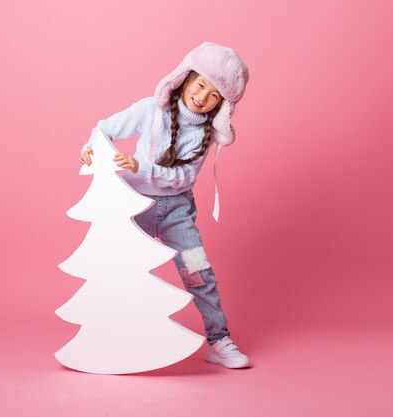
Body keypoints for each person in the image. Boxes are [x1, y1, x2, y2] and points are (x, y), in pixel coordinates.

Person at [79, 42, 250, 369]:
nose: (202, 97)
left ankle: (218, 340)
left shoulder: (206, 135)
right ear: (185, 79)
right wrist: (92, 148)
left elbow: (183, 177)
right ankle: (112, 337)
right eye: (200, 85)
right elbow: (105, 129)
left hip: (177, 214)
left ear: (222, 105)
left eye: (214, 95)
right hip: (133, 208)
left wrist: (139, 167)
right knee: (118, 269)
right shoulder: (149, 110)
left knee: (199, 272)